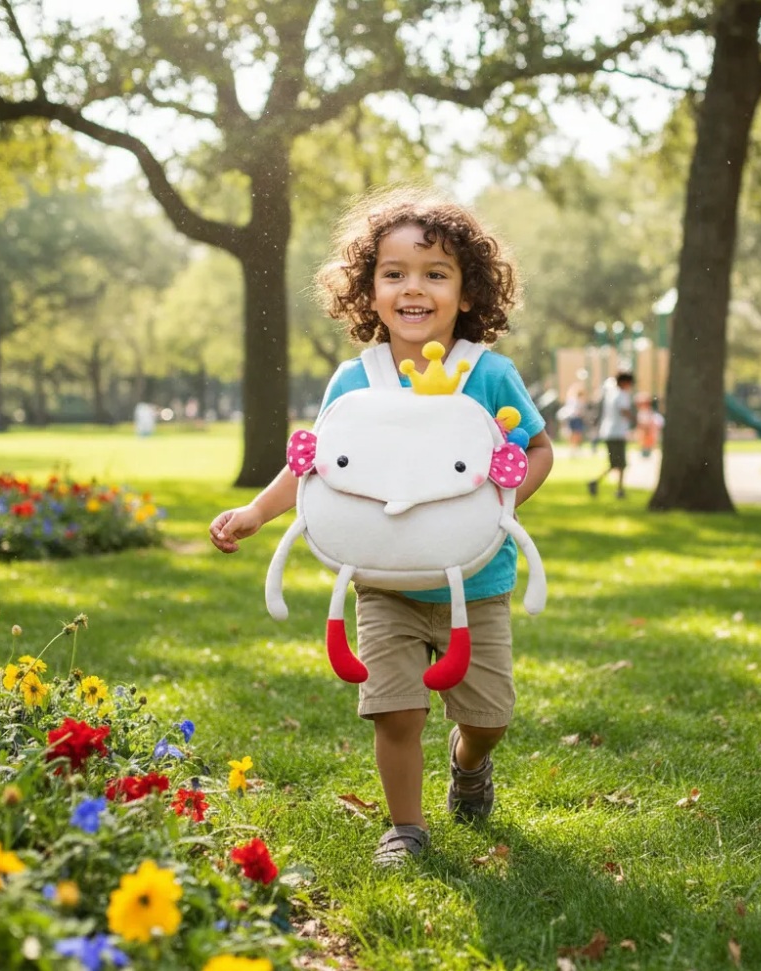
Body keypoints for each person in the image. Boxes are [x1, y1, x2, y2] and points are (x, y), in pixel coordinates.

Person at [209, 188, 554, 867]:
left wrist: (504, 500)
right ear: (369, 288)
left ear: (468, 289)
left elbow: (538, 448)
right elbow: (318, 464)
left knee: (489, 717)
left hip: (472, 584)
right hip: (382, 582)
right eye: (393, 273)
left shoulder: (489, 375)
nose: (413, 288)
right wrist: (255, 512)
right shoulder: (354, 381)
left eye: (435, 273)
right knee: (395, 711)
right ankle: (405, 828)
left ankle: (469, 761)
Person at [587, 371, 634, 498]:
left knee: (618, 463)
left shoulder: (611, 394)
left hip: (610, 432)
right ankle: (600, 483)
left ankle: (619, 489)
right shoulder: (622, 394)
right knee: (618, 463)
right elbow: (624, 410)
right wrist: (634, 420)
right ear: (625, 382)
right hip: (617, 433)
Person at [556, 380, 587, 457]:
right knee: (574, 434)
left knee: (577, 434)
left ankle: (575, 448)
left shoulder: (579, 400)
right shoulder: (572, 400)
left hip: (577, 418)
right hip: (574, 418)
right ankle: (573, 449)